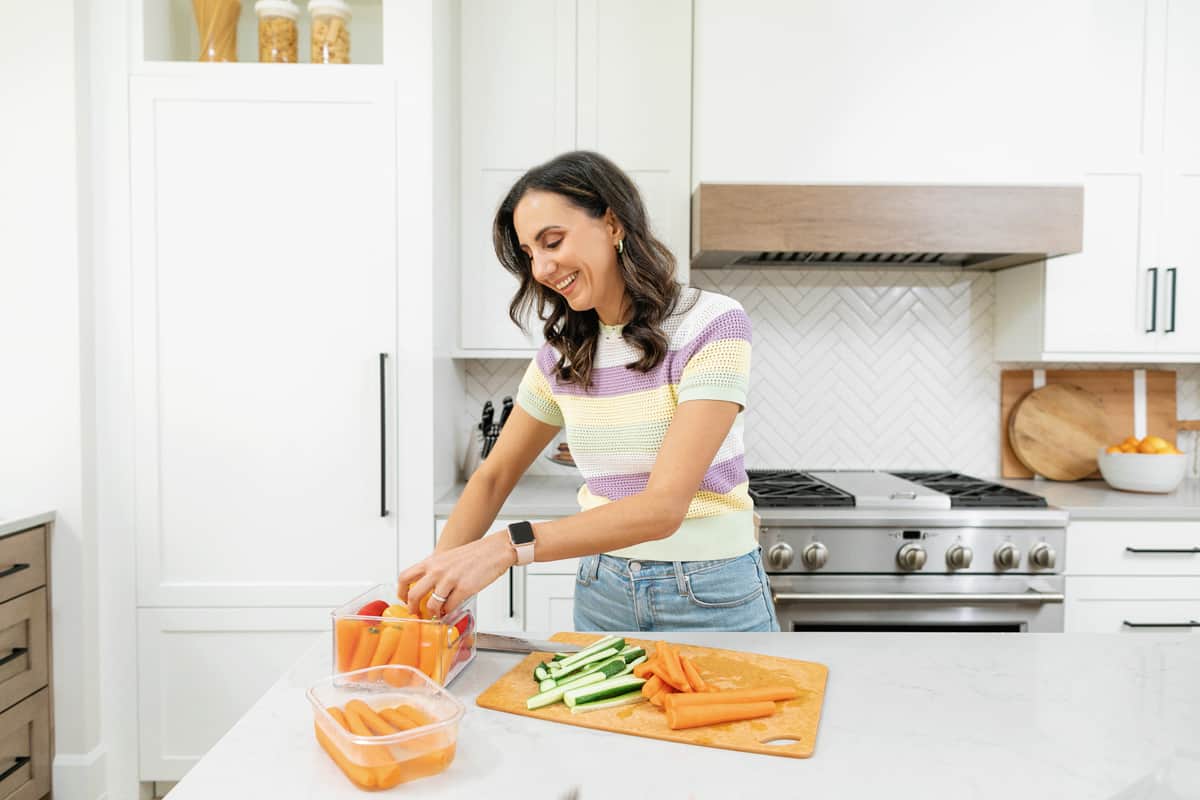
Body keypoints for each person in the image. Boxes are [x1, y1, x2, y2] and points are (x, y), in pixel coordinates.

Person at [398, 150, 779, 632]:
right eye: (530, 254)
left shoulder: (711, 324)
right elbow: (493, 476)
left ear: (613, 224)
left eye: (552, 241)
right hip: (604, 589)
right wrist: (436, 583)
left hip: (712, 592)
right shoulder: (563, 355)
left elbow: (663, 509)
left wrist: (505, 546)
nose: (540, 268)